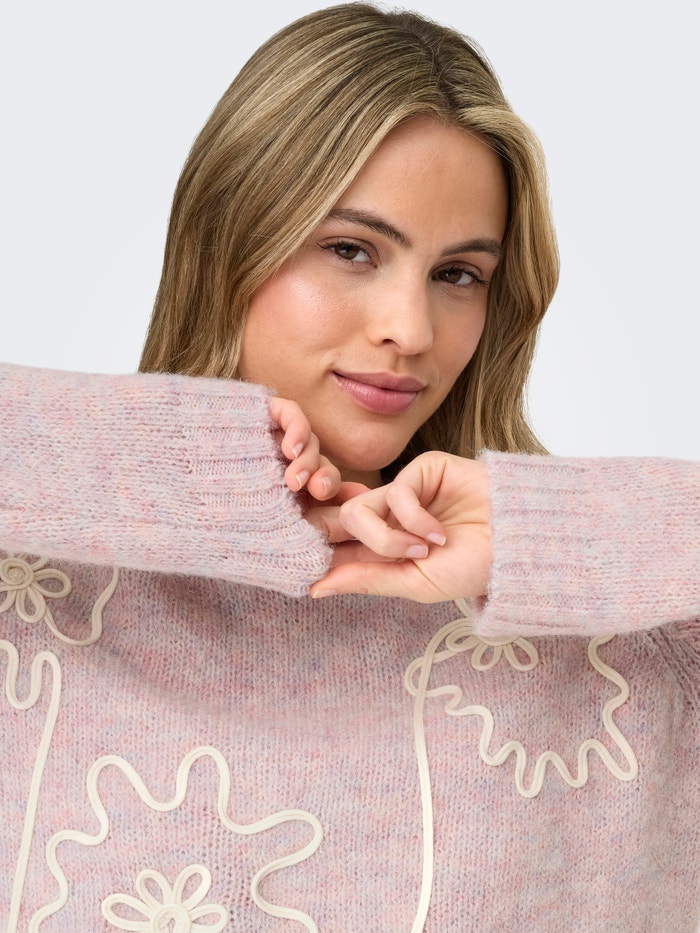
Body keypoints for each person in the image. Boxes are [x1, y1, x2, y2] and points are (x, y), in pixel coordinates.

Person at [0, 4, 697, 931]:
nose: (410, 330)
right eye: (350, 250)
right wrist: (208, 480)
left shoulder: (627, 645)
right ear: (228, 243)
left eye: (458, 274)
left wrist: (543, 535)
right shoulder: (34, 591)